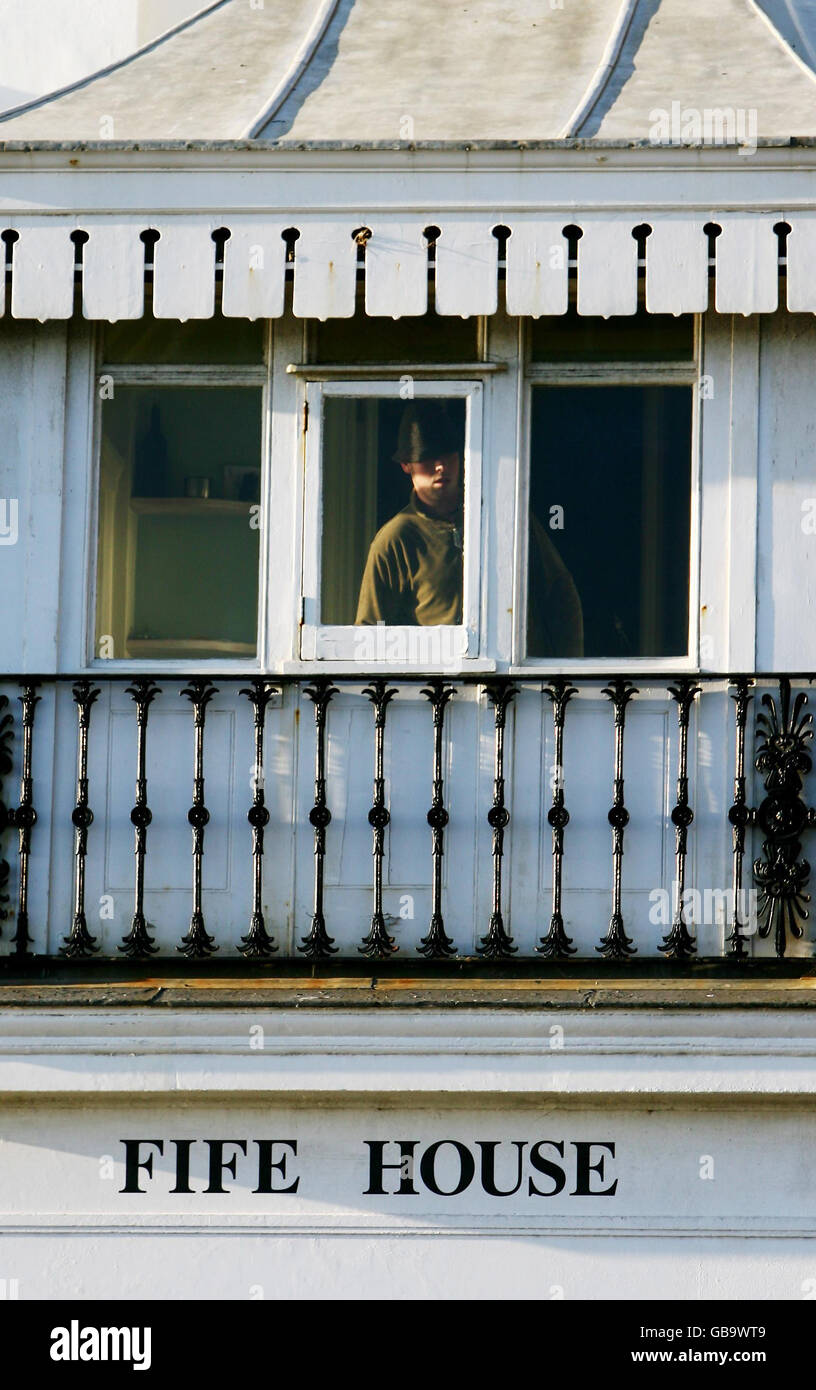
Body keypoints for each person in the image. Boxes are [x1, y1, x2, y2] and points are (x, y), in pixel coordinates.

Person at [355, 400, 584, 657]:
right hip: (439, 690)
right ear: (406, 465)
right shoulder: (395, 539)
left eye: (447, 454)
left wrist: (563, 674)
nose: (440, 466)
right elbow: (370, 632)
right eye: (428, 457)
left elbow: (560, 594)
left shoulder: (507, 518)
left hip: (518, 683)